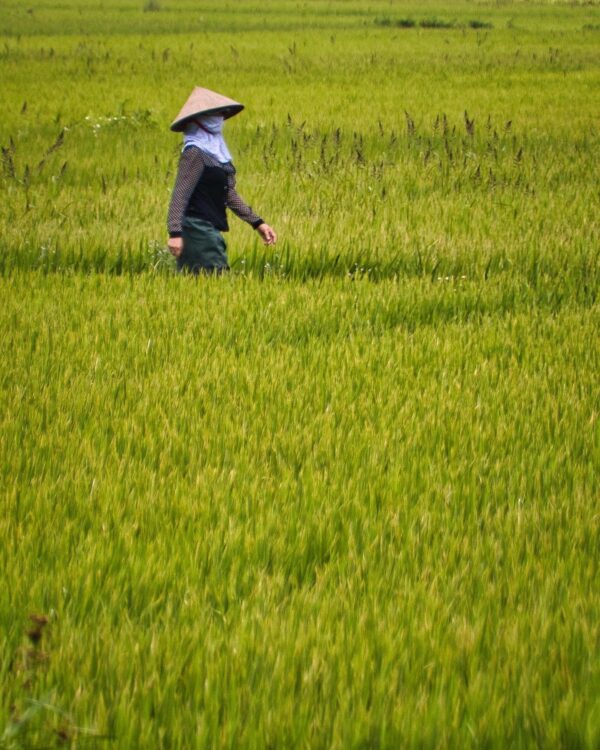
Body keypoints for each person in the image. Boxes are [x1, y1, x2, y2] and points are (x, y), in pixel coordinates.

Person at [167, 87, 277, 274]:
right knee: (213, 280)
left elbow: (228, 194)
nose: (219, 118)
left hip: (210, 230)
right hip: (196, 230)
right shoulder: (194, 153)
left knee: (212, 282)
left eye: (220, 114)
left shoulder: (215, 154)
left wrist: (258, 223)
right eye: (214, 114)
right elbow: (180, 194)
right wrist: (175, 233)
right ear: (200, 120)